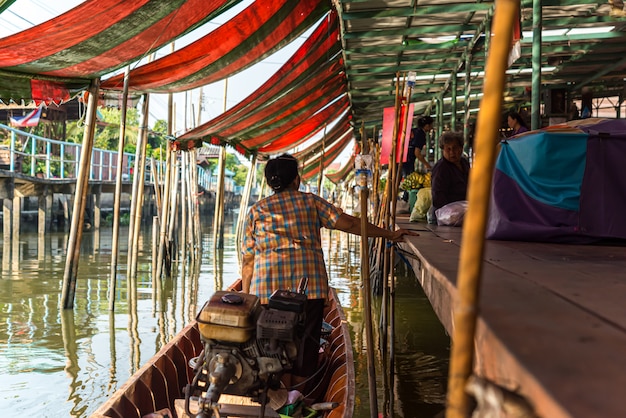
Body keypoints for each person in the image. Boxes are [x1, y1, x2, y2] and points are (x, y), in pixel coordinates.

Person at [241, 153, 418, 386]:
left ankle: (277, 395)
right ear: (296, 180)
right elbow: (352, 224)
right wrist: (390, 234)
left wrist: (246, 298)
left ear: (269, 183)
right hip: (308, 291)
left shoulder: (257, 210)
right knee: (306, 347)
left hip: (267, 291)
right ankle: (298, 395)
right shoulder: (311, 201)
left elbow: (248, 261)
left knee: (271, 348)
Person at [430, 131, 470, 212]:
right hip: (446, 212)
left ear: (461, 148)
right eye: (448, 149)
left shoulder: (464, 163)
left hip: (464, 208)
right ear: (443, 150)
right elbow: (438, 196)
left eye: (455, 148)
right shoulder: (441, 168)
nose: (452, 152)